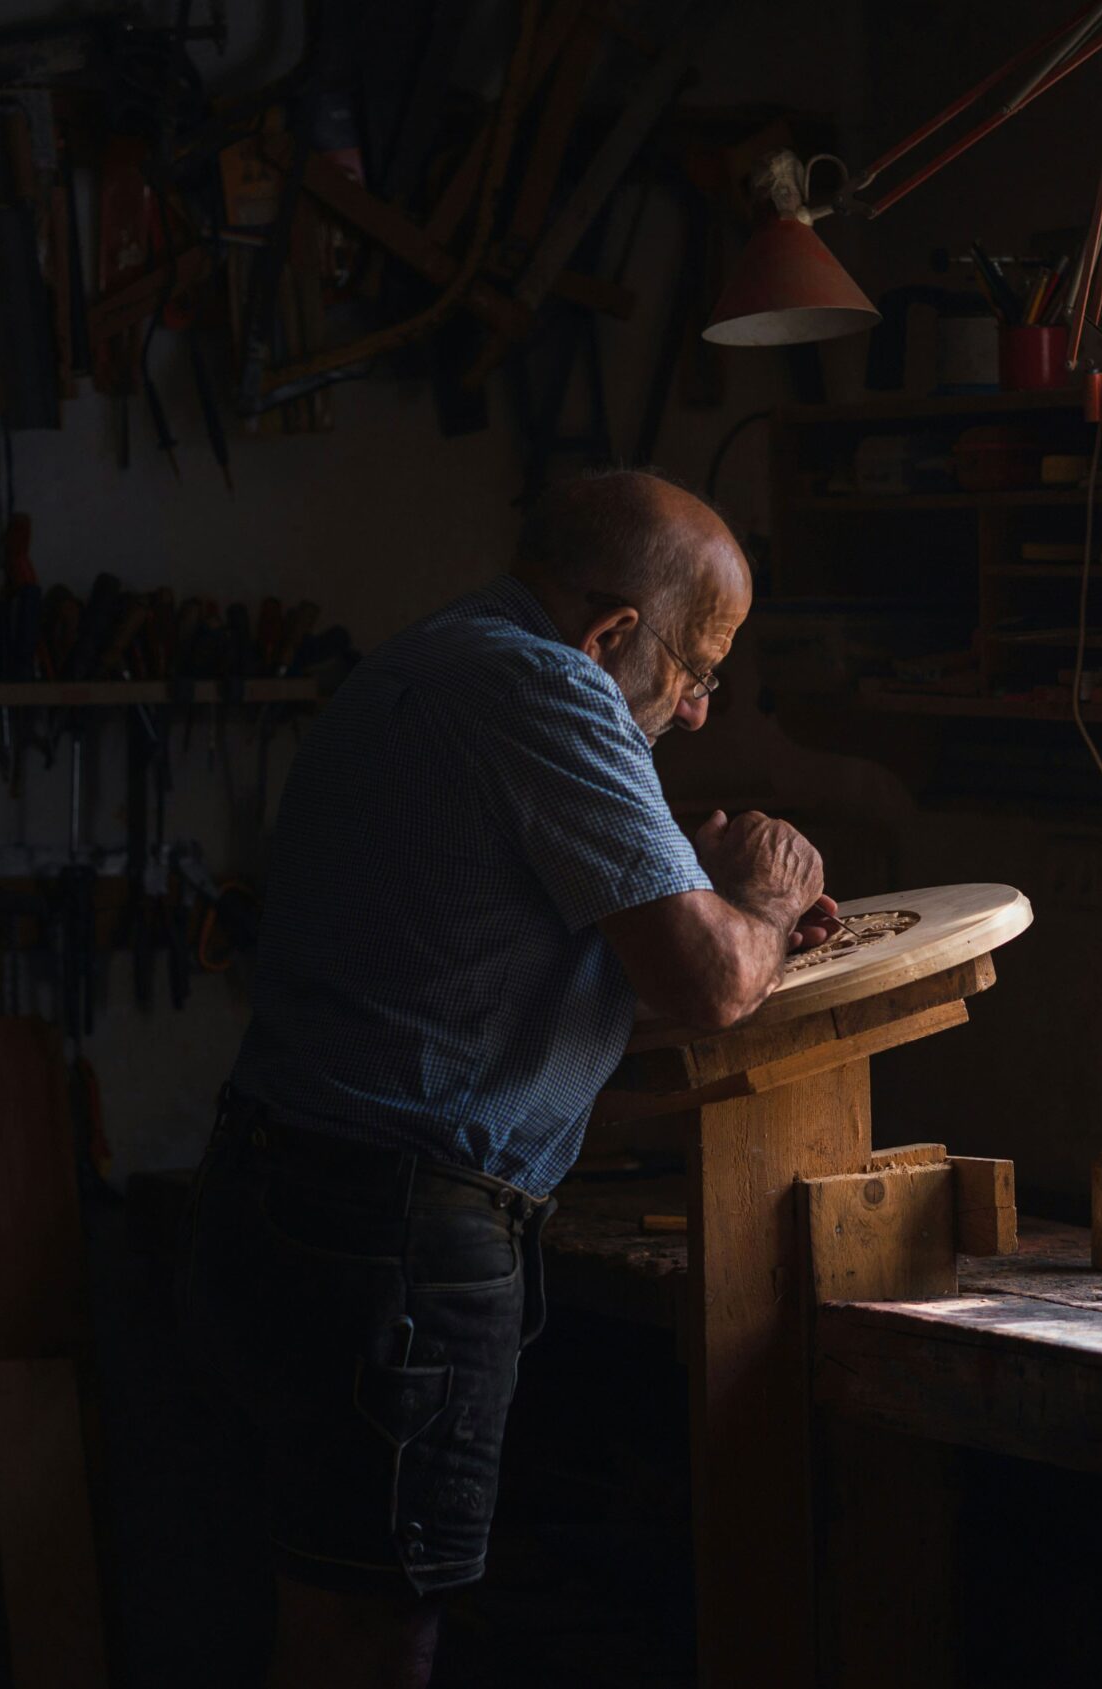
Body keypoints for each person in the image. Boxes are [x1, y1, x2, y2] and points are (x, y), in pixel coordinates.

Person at [181, 469, 836, 1688]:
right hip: (394, 1232)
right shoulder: (548, 686)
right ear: (611, 634)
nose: (697, 712)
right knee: (377, 1629)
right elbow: (706, 986)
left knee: (321, 1599)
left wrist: (670, 883)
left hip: (302, 1197)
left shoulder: (434, 659)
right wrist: (763, 899)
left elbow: (507, 952)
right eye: (695, 669)